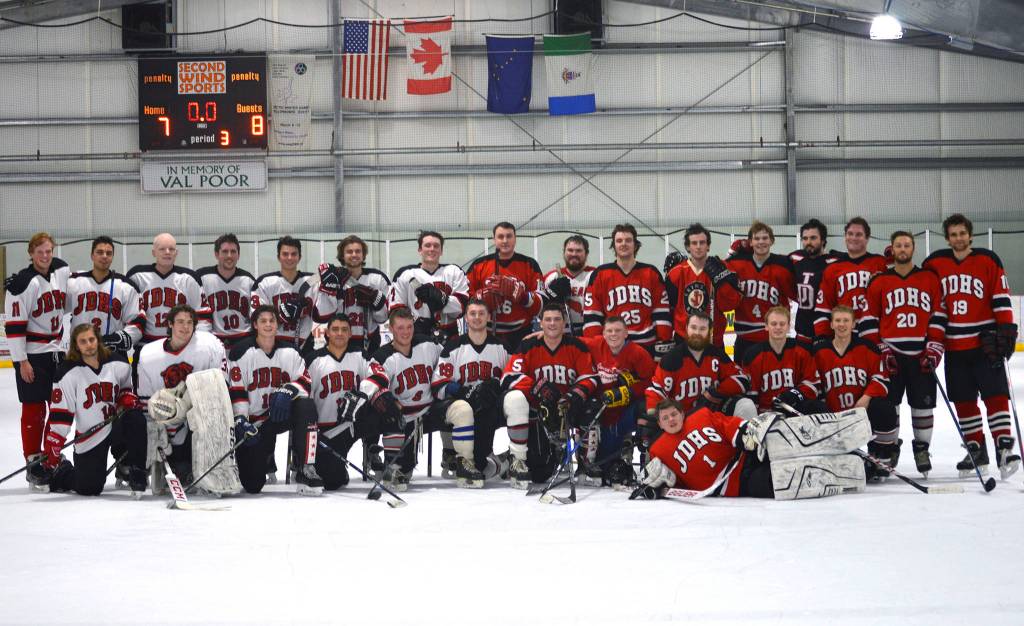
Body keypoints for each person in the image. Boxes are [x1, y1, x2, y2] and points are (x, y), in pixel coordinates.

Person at [923, 213, 1020, 479]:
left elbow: (1000, 297)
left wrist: (1006, 329)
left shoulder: (988, 260)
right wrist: (933, 341)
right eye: (953, 234)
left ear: (970, 235)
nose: (958, 238)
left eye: (962, 233)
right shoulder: (935, 264)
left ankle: (1004, 447)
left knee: (995, 396)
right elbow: (932, 303)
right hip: (955, 347)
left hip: (984, 343)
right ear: (947, 238)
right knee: (964, 401)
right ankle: (976, 449)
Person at [635, 398, 866, 500]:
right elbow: (659, 484)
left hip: (744, 456)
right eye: (665, 418)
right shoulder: (658, 451)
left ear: (682, 413)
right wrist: (657, 487)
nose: (671, 420)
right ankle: (846, 471)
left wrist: (746, 431)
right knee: (784, 480)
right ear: (660, 423)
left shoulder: (701, 416)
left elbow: (728, 426)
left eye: (674, 414)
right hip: (733, 484)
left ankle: (840, 435)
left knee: (780, 438)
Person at [861, 231, 946, 477]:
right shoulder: (879, 281)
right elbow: (868, 319)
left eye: (906, 245)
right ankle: (891, 448)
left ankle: (922, 449)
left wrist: (934, 347)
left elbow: (939, 315)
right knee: (891, 406)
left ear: (913, 248)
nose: (902, 249)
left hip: (921, 354)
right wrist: (880, 348)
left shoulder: (929, 278)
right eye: (898, 245)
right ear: (892, 248)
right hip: (891, 354)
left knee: (923, 406)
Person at [26, 324, 146, 495]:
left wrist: (126, 398)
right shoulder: (67, 372)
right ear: (76, 345)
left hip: (115, 425)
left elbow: (125, 391)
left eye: (91, 339)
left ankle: (135, 471)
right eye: (83, 341)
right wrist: (53, 447)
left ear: (98, 340)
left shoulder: (118, 363)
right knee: (89, 488)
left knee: (135, 417)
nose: (89, 344)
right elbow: (61, 415)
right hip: (91, 435)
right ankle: (62, 471)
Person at [501, 302, 600, 488]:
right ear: (540, 323)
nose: (552, 323)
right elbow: (509, 377)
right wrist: (538, 387)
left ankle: (585, 461)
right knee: (540, 473)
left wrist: (573, 395)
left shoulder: (577, 346)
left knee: (593, 405)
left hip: (568, 407)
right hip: (540, 412)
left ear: (564, 322)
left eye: (557, 319)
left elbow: (591, 378)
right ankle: (516, 458)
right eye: (548, 319)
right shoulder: (528, 345)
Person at [226, 305, 322, 495]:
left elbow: (305, 382)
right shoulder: (241, 352)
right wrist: (241, 419)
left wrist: (288, 390)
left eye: (272, 320)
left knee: (306, 406)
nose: (268, 324)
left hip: (282, 414)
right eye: (263, 321)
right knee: (252, 485)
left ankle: (306, 466)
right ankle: (265, 455)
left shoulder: (290, 351)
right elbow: (237, 390)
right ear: (255, 325)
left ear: (277, 324)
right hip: (255, 425)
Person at [4, 232, 71, 473]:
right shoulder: (22, 284)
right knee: (34, 408)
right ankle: (33, 460)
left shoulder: (61, 271)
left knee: (59, 407)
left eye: (48, 251)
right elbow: (14, 327)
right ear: (31, 253)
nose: (45, 256)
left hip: (57, 352)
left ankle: (50, 453)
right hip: (33, 355)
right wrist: (21, 361)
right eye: (39, 251)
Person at [136, 304, 226, 483]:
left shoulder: (208, 345)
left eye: (190, 322)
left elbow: (221, 387)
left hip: (197, 422)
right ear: (170, 324)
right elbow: (145, 402)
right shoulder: (149, 354)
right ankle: (160, 464)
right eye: (180, 322)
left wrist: (190, 402)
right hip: (167, 424)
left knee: (186, 471)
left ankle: (209, 465)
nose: (185, 327)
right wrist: (153, 429)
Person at [356, 308, 444, 490]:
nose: (406, 332)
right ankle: (392, 464)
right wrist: (381, 397)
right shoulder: (382, 356)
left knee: (460, 409)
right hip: (402, 418)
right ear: (391, 328)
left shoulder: (428, 345)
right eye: (400, 328)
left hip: (428, 413)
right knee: (387, 406)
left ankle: (456, 457)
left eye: (409, 327)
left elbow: (447, 361)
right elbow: (375, 382)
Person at [428, 298, 510, 487]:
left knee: (504, 400)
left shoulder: (502, 347)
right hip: (465, 406)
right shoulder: (453, 347)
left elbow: (513, 379)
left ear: (488, 317)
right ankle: (483, 461)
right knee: (481, 465)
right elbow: (438, 384)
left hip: (491, 409)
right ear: (465, 317)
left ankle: (511, 458)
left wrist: (495, 387)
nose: (477, 317)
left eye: (481, 313)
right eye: (472, 313)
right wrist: (464, 391)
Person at [814, 306, 900, 481]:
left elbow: (882, 379)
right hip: (834, 418)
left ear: (854, 324)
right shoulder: (819, 351)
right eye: (838, 320)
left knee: (885, 407)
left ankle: (881, 455)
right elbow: (814, 383)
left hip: (862, 414)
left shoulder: (867, 348)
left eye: (846, 320)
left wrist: (866, 397)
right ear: (831, 324)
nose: (842, 324)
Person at [578, 316, 656, 487]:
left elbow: (653, 382)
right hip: (602, 413)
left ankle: (647, 457)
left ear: (626, 333)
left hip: (624, 414)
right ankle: (587, 459)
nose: (614, 334)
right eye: (610, 331)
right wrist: (539, 335)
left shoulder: (638, 353)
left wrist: (628, 391)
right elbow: (569, 340)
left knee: (647, 409)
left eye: (618, 330)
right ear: (604, 333)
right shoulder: (595, 344)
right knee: (605, 466)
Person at [646, 311, 756, 423]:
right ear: (686, 329)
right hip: (684, 422)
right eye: (693, 327)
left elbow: (742, 379)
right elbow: (655, 392)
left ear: (710, 331)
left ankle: (748, 434)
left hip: (714, 417)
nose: (697, 333)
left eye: (702, 329)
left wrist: (716, 392)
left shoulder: (717, 354)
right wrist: (654, 418)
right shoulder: (672, 359)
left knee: (746, 405)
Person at [305, 314, 373, 490]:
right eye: (335, 329)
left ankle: (391, 463)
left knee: (385, 403)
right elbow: (306, 400)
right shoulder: (314, 360)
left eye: (344, 330)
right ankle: (315, 463)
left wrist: (360, 396)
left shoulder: (360, 355)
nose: (340, 333)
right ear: (327, 333)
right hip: (328, 431)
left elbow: (379, 377)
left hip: (353, 423)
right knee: (333, 481)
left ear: (350, 333)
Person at [584, 223, 672, 353]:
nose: (623, 244)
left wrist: (664, 341)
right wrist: (597, 346)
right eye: (619, 241)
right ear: (614, 245)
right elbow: (592, 315)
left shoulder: (651, 273)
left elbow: (661, 312)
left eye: (628, 240)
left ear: (635, 245)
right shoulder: (600, 274)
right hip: (614, 347)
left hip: (647, 346)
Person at [466, 222, 544, 351]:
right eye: (500, 236)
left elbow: (540, 307)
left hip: (521, 334)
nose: (505, 240)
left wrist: (522, 296)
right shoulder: (478, 265)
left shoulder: (530, 265)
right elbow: (465, 301)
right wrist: (479, 299)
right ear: (494, 239)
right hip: (485, 333)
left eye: (509, 236)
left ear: (515, 238)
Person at [726, 221, 796, 361]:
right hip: (744, 338)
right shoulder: (737, 263)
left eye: (765, 238)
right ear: (750, 242)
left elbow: (796, 293)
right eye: (757, 238)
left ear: (771, 241)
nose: (761, 242)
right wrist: (730, 254)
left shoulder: (784, 265)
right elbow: (720, 276)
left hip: (773, 337)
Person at [127, 232, 212, 346]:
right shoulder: (137, 276)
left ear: (176, 253)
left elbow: (203, 316)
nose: (167, 252)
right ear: (153, 252)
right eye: (162, 249)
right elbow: (128, 314)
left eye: (171, 249)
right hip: (145, 345)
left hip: (180, 345)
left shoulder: (189, 278)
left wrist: (196, 343)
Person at [664, 223, 741, 348]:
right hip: (684, 341)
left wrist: (722, 282)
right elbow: (668, 309)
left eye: (702, 242)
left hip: (713, 340)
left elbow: (730, 305)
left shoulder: (723, 268)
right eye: (694, 243)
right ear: (688, 247)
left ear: (708, 246)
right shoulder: (676, 273)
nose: (698, 247)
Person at [65, 236, 144, 355]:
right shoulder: (74, 282)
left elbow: (138, 323)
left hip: (112, 352)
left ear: (112, 257)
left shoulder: (126, 286)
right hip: (80, 352)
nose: (104, 256)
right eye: (100, 252)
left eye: (109, 253)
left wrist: (116, 340)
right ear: (92, 255)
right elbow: (55, 311)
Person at [740, 305, 827, 414]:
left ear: (788, 326)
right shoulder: (753, 355)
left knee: (818, 407)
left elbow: (813, 384)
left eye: (782, 324)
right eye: (774, 324)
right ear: (766, 326)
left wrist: (793, 395)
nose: (778, 327)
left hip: (795, 411)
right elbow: (751, 396)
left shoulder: (801, 351)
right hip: (767, 416)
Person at [311, 235, 391, 353]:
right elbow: (321, 317)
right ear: (342, 255)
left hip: (369, 344)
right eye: (349, 252)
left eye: (358, 251)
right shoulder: (333, 277)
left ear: (363, 255)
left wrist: (376, 301)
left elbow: (382, 318)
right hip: (337, 342)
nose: (354, 255)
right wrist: (331, 291)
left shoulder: (377, 279)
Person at [813, 217, 887, 338]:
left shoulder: (880, 263)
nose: (853, 238)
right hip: (844, 334)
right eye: (850, 234)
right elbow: (824, 307)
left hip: (874, 333)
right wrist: (823, 337)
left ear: (867, 238)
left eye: (859, 234)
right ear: (845, 236)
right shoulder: (832, 269)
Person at [389, 231, 469, 341]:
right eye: (427, 245)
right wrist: (415, 322)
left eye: (436, 246)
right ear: (420, 250)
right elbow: (396, 310)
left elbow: (462, 308)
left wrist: (443, 299)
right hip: (416, 338)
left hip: (449, 338)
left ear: (441, 251)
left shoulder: (454, 272)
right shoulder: (405, 274)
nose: (432, 249)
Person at [252, 236, 316, 350]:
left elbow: (323, 313)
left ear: (300, 257)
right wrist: (282, 315)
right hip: (272, 345)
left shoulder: (312, 280)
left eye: (294, 254)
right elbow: (256, 317)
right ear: (278, 257)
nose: (289, 258)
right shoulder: (265, 282)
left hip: (305, 346)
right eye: (285, 254)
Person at [197, 233, 255, 349]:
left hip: (243, 339)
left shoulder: (248, 280)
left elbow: (255, 315)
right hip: (212, 340)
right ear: (216, 254)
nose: (229, 255)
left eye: (233, 251)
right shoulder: (202, 277)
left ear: (238, 255)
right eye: (225, 251)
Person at [789, 219, 837, 346]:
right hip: (802, 332)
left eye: (813, 238)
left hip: (828, 334)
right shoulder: (795, 258)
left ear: (823, 240)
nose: (808, 242)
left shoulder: (835, 262)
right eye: (805, 238)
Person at [541, 235, 594, 336]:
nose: (574, 254)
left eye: (578, 251)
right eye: (570, 250)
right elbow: (539, 308)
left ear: (586, 253)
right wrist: (551, 295)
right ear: (564, 253)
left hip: (588, 331)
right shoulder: (550, 277)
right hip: (558, 332)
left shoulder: (596, 275)